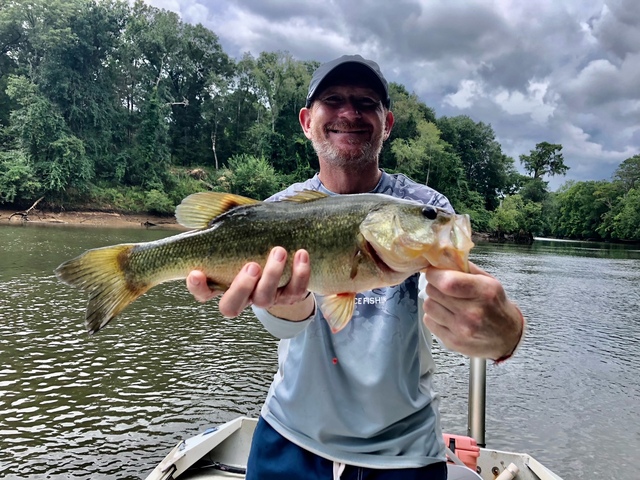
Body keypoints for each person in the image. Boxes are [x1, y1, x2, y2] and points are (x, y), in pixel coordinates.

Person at [186, 55, 525, 480]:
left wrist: (503, 332)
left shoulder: (427, 209)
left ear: (387, 124)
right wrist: (288, 308)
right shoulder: (277, 210)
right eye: (333, 100)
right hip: (290, 438)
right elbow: (284, 324)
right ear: (307, 121)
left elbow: (445, 307)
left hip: (405, 452)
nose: (350, 113)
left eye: (367, 102)